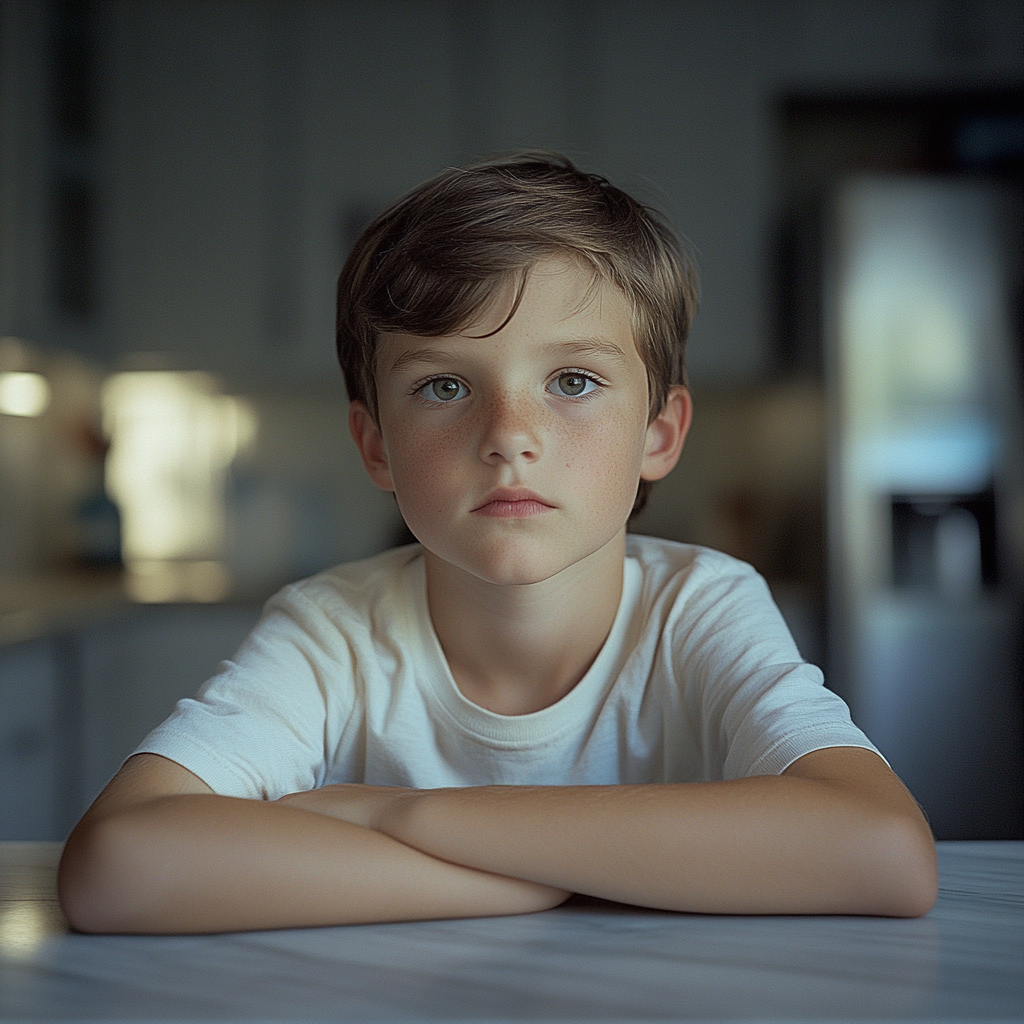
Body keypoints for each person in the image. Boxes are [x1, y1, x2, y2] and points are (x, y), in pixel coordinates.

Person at [58, 152, 937, 934]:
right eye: (444, 385)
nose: (509, 434)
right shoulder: (334, 629)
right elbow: (118, 865)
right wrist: (528, 882)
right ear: (376, 447)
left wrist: (402, 817)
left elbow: (883, 853)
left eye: (573, 380)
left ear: (659, 434)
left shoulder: (700, 606)